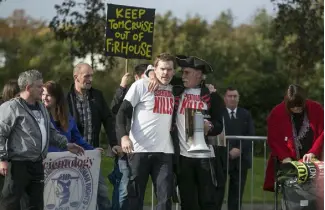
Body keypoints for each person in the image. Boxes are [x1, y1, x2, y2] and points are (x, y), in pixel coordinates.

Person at [0, 70, 84, 210]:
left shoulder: (41, 108)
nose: (42, 90)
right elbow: (1, 133)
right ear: (28, 88)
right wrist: (2, 159)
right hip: (17, 165)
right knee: (10, 203)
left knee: (36, 204)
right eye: (39, 87)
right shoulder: (11, 107)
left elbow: (50, 131)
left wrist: (66, 144)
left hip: (37, 164)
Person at [116, 53, 176, 210]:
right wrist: (123, 137)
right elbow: (122, 113)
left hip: (164, 152)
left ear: (174, 71)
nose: (165, 73)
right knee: (134, 199)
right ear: (154, 69)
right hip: (139, 150)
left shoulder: (175, 87)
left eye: (169, 69)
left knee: (164, 200)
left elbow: (195, 81)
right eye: (162, 69)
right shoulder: (141, 85)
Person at [66, 63, 120, 210]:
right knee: (71, 195)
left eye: (92, 75)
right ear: (76, 77)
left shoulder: (97, 96)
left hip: (92, 155)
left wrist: (114, 142)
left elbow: (108, 120)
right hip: (71, 156)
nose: (91, 79)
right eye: (87, 76)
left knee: (101, 196)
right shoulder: (66, 98)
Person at [263, 84, 324, 192]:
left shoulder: (316, 109)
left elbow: (323, 133)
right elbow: (274, 139)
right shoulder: (277, 113)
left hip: (312, 161)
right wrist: (284, 157)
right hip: (289, 163)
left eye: (299, 106)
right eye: (293, 107)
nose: (296, 109)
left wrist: (313, 152)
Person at [109, 63, 149, 210]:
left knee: (135, 190)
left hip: (141, 151)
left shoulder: (150, 93)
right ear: (137, 77)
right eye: (147, 75)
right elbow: (114, 110)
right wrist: (122, 87)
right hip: (125, 150)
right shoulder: (129, 93)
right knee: (124, 189)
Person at [216, 87, 255, 210]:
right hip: (222, 158)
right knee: (218, 192)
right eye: (230, 96)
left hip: (241, 160)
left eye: (235, 96)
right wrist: (227, 151)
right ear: (225, 98)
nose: (232, 98)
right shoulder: (218, 113)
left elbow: (251, 134)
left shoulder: (245, 114)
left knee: (237, 194)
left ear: (238, 98)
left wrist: (239, 149)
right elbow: (215, 132)